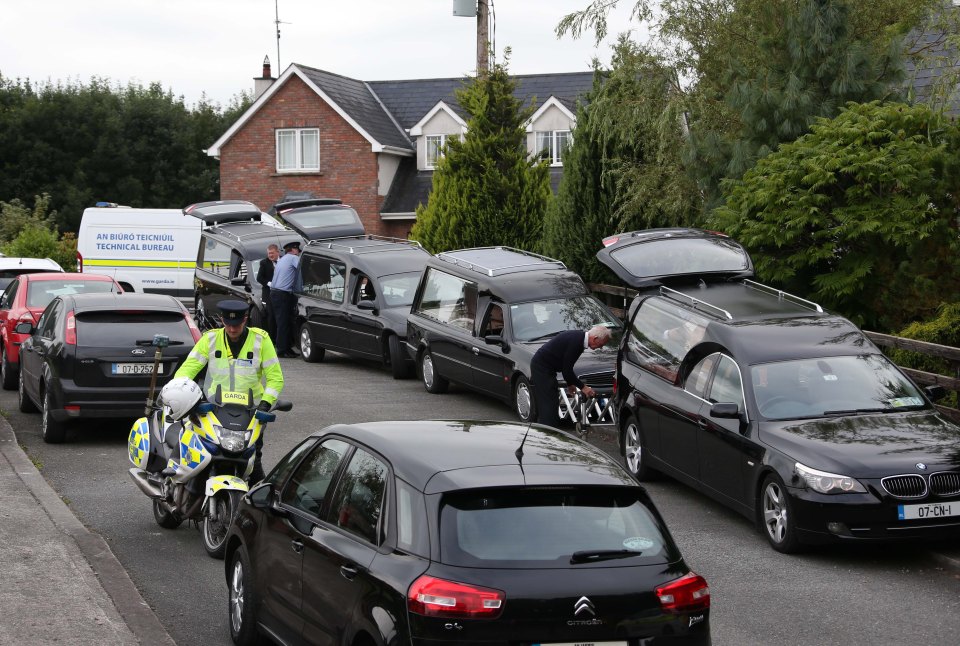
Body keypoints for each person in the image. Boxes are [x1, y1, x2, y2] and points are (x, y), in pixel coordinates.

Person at [175, 300, 284, 482]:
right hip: (214, 408)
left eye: (237, 325)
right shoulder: (210, 339)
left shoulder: (261, 340)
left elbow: (275, 378)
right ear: (222, 320)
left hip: (251, 412)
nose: (232, 329)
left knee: (252, 460)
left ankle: (259, 504)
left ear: (245, 320)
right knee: (198, 451)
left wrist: (265, 405)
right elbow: (185, 372)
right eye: (228, 324)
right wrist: (195, 399)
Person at [530, 325, 612, 427]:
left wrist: (570, 384)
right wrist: (584, 387)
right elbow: (567, 371)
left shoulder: (579, 339)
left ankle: (549, 428)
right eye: (601, 344)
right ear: (595, 338)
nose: (601, 347)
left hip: (546, 367)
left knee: (552, 400)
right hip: (541, 367)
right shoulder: (577, 342)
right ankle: (547, 432)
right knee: (548, 402)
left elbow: (567, 366)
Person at [270, 240, 302, 358]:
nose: (298, 253)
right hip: (283, 294)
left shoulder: (282, 259)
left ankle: (285, 348)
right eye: (298, 251)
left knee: (282, 322)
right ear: (293, 250)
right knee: (284, 323)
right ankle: (283, 350)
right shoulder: (293, 258)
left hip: (275, 293)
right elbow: (303, 269)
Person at [256, 243, 280, 341]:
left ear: (277, 252)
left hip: (282, 293)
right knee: (272, 317)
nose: (270, 255)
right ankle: (272, 340)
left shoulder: (283, 261)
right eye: (269, 253)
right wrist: (270, 284)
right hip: (269, 294)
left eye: (272, 253)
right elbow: (259, 278)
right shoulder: (264, 263)